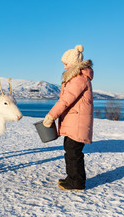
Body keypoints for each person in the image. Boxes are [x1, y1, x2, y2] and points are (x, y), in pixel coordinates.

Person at [43, 44, 94, 191]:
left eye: (66, 64)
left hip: (77, 122)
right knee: (70, 149)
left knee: (73, 151)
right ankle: (72, 177)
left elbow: (66, 100)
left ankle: (76, 182)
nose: (64, 67)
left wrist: (51, 116)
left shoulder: (79, 79)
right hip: (74, 120)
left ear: (74, 63)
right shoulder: (76, 77)